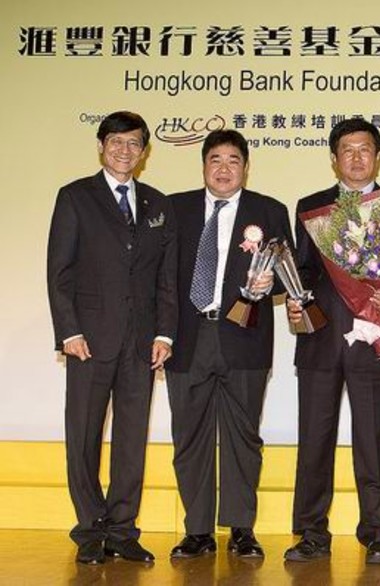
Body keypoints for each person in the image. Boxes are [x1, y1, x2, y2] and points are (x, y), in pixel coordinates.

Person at [284, 118, 380, 566]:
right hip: (321, 340)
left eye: (365, 149)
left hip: (374, 339)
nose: (357, 158)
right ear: (333, 158)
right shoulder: (311, 208)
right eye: (347, 150)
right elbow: (303, 272)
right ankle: (311, 532)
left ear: (378, 156)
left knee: (375, 441)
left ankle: (379, 533)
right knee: (314, 441)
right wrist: (295, 301)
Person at [47, 111, 177, 564]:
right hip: (88, 341)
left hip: (141, 343)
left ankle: (122, 530)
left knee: (130, 439)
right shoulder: (75, 197)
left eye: (134, 143)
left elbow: (166, 278)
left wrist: (164, 333)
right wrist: (69, 330)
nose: (125, 150)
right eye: (116, 142)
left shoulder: (160, 205)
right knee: (82, 436)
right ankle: (89, 531)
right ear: (101, 146)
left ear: (144, 153)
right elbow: (59, 272)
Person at [164, 129, 293, 560]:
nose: (223, 168)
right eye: (215, 159)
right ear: (203, 164)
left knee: (243, 436)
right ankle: (197, 530)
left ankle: (241, 528)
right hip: (186, 337)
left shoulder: (269, 211)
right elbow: (158, 276)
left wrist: (272, 283)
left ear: (246, 166)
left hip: (245, 335)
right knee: (190, 435)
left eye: (233, 160)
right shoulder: (175, 208)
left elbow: (289, 279)